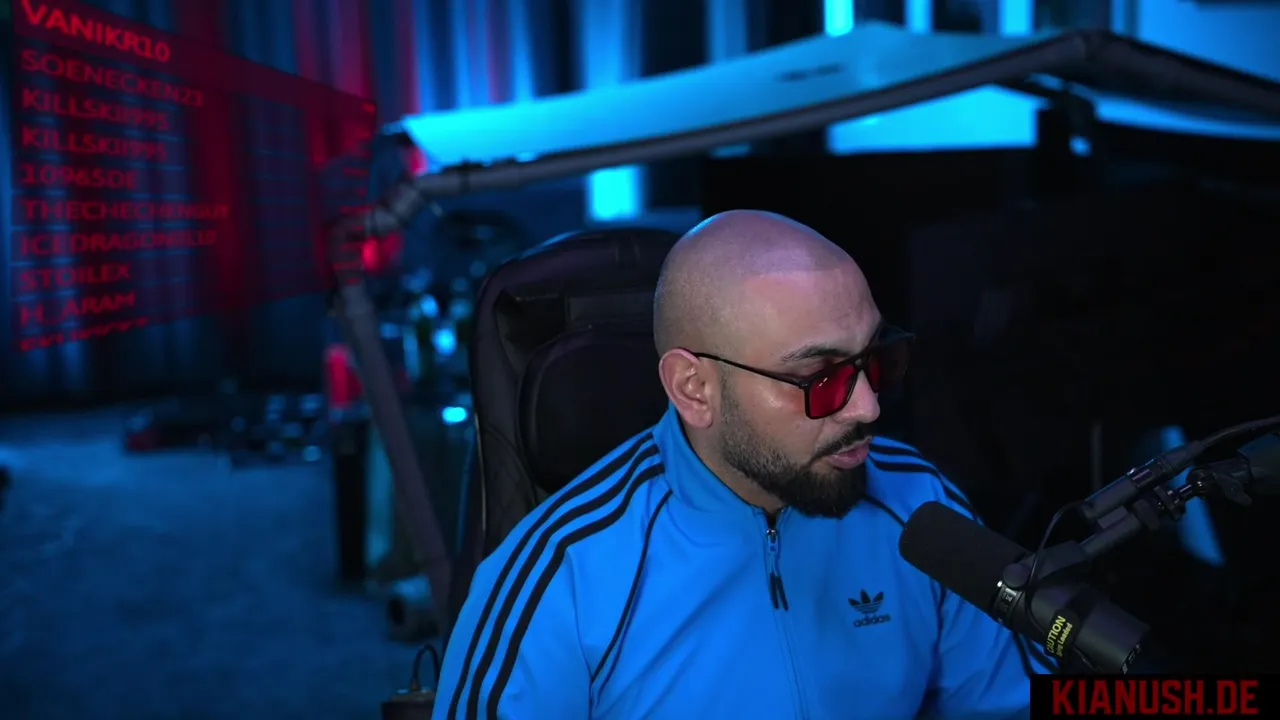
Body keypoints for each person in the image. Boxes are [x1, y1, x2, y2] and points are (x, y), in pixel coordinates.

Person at [434, 211, 1054, 719]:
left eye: (876, 361)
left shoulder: (918, 503)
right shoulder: (561, 573)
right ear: (694, 389)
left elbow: (1015, 703)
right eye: (820, 378)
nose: (867, 406)